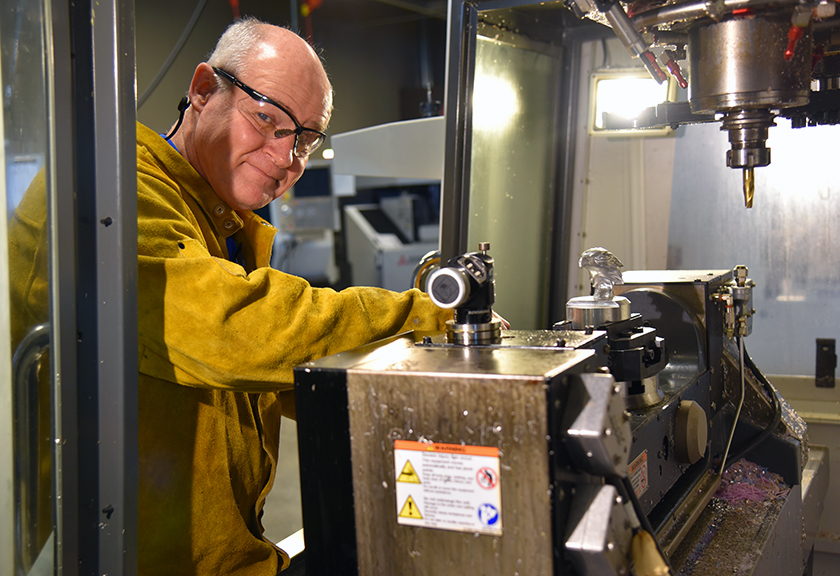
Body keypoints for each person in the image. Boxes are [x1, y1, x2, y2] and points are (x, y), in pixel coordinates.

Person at [147, 16, 455, 575]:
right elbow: (234, 330)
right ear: (201, 90)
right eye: (267, 119)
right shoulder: (112, 196)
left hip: (238, 554)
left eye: (306, 138)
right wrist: (425, 320)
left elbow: (291, 377)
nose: (288, 158)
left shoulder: (227, 225)